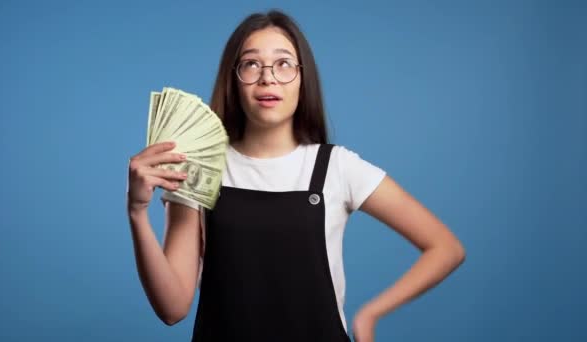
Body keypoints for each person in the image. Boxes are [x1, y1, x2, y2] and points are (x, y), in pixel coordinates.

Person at [126, 10, 466, 342]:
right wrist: (138, 213)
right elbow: (172, 308)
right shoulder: (200, 166)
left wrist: (370, 314)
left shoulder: (338, 167)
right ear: (234, 79)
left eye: (284, 63)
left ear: (304, 78)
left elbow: (445, 247)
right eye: (251, 64)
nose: (268, 77)